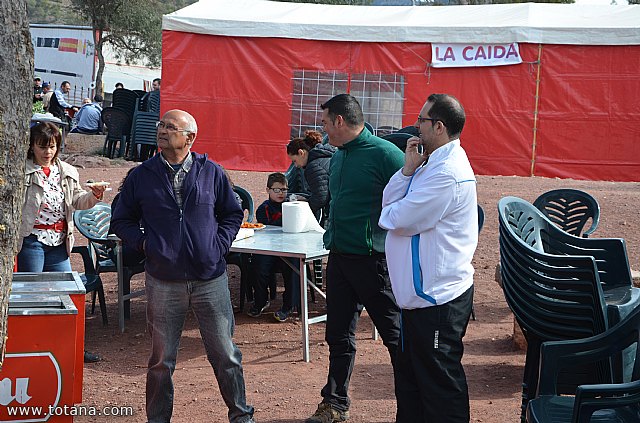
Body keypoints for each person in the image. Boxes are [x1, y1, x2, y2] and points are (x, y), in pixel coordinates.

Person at [111, 109, 255, 423]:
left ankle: (241, 415)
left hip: (209, 278)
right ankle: (158, 419)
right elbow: (121, 219)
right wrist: (147, 244)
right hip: (163, 280)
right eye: (161, 125)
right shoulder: (141, 175)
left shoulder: (211, 172)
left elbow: (233, 213)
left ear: (189, 137)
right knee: (162, 360)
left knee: (225, 354)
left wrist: (217, 247)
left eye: (171, 127)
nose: (162, 130)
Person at [306, 94, 404, 423]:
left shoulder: (386, 154)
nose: (320, 129)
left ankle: (414, 404)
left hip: (372, 260)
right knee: (338, 334)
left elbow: (414, 196)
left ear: (339, 121)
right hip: (340, 257)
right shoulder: (338, 155)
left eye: (324, 122)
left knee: (395, 335)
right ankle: (335, 403)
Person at [379, 94, 477, 423]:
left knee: (439, 386)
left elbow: (397, 219)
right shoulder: (428, 164)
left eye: (421, 120)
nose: (416, 126)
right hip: (420, 299)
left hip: (437, 299)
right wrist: (407, 171)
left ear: (438, 126)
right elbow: (390, 205)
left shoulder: (446, 172)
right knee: (412, 382)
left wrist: (395, 208)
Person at [18, 122, 107, 363]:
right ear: (32, 146)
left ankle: (71, 348)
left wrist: (94, 195)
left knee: (65, 297)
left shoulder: (66, 170)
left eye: (53, 147)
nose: (48, 152)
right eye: (42, 146)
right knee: (32, 298)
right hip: (32, 240)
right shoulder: (21, 170)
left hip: (59, 242)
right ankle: (30, 347)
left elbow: (77, 200)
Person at [246, 173, 296, 320]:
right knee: (258, 265)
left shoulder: (292, 207)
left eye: (284, 190)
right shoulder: (263, 209)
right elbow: (267, 231)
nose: (281, 193)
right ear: (268, 190)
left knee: (294, 267)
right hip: (269, 248)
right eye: (277, 190)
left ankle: (289, 305)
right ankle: (260, 301)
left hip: (289, 248)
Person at [286, 130, 335, 224]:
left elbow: (321, 197)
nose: (296, 166)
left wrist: (305, 210)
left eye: (295, 161)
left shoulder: (313, 167)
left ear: (301, 153)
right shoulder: (326, 157)